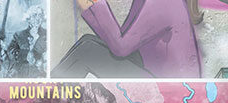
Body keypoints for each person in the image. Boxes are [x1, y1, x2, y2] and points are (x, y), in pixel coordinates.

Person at [52, 0, 202, 78]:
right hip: (153, 77)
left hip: (166, 90)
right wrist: (89, 6)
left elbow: (120, 48)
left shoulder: (162, 2)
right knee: (87, 42)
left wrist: (95, 3)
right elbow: (120, 40)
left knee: (87, 51)